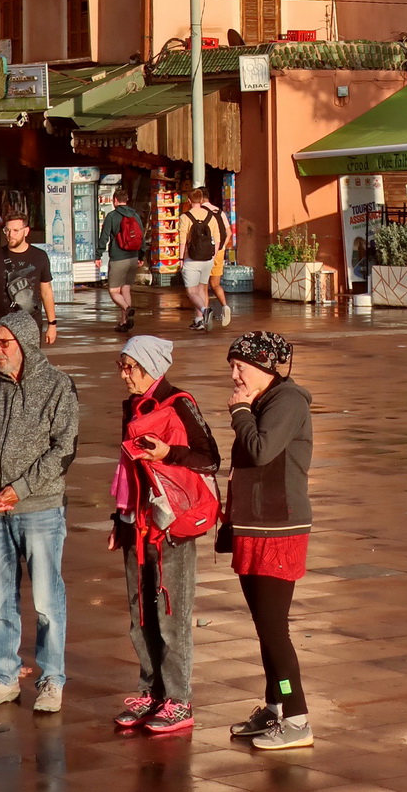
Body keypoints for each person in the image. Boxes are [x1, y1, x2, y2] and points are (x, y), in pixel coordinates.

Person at [0, 309, 80, 714]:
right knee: (0, 601)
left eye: (4, 343)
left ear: (26, 344)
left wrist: (20, 489)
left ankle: (52, 679)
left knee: (47, 600)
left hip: (40, 510)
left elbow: (63, 448)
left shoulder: (57, 386)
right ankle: (4, 675)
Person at [108, 335, 220, 735]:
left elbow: (211, 458)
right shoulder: (133, 406)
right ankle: (151, 691)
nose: (124, 375)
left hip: (173, 524)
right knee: (140, 615)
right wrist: (118, 520)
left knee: (171, 614)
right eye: (121, 366)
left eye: (130, 367)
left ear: (151, 367)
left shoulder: (180, 402)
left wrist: (167, 454)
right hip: (137, 521)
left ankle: (178, 699)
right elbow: (128, 472)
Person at [221, 331, 314, 751]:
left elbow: (260, 450)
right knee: (263, 627)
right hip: (252, 526)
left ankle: (297, 718)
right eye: (232, 368)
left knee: (274, 629)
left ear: (265, 367)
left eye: (240, 368)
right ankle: (274, 708)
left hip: (279, 528)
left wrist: (239, 412)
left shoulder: (288, 401)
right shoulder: (262, 401)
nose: (234, 376)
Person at [0, 213, 56, 362]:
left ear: (26, 231)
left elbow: (46, 292)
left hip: (30, 323)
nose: (10, 235)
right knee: (3, 368)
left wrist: (52, 324)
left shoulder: (40, 257)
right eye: (7, 230)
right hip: (1, 323)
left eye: (15, 231)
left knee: (29, 369)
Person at [178, 187, 231, 331]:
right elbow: (218, 238)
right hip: (208, 259)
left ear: (189, 201)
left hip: (191, 258)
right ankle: (199, 319)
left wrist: (181, 258)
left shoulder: (185, 217)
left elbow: (182, 240)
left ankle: (204, 310)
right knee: (202, 288)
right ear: (201, 200)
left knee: (191, 292)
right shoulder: (212, 217)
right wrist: (213, 255)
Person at [97, 187, 144, 334]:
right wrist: (141, 256)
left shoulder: (112, 216)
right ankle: (124, 322)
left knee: (113, 291)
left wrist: (98, 255)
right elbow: (141, 236)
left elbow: (104, 237)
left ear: (115, 200)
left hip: (118, 257)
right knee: (125, 289)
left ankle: (127, 309)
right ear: (126, 200)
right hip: (133, 256)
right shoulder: (135, 215)